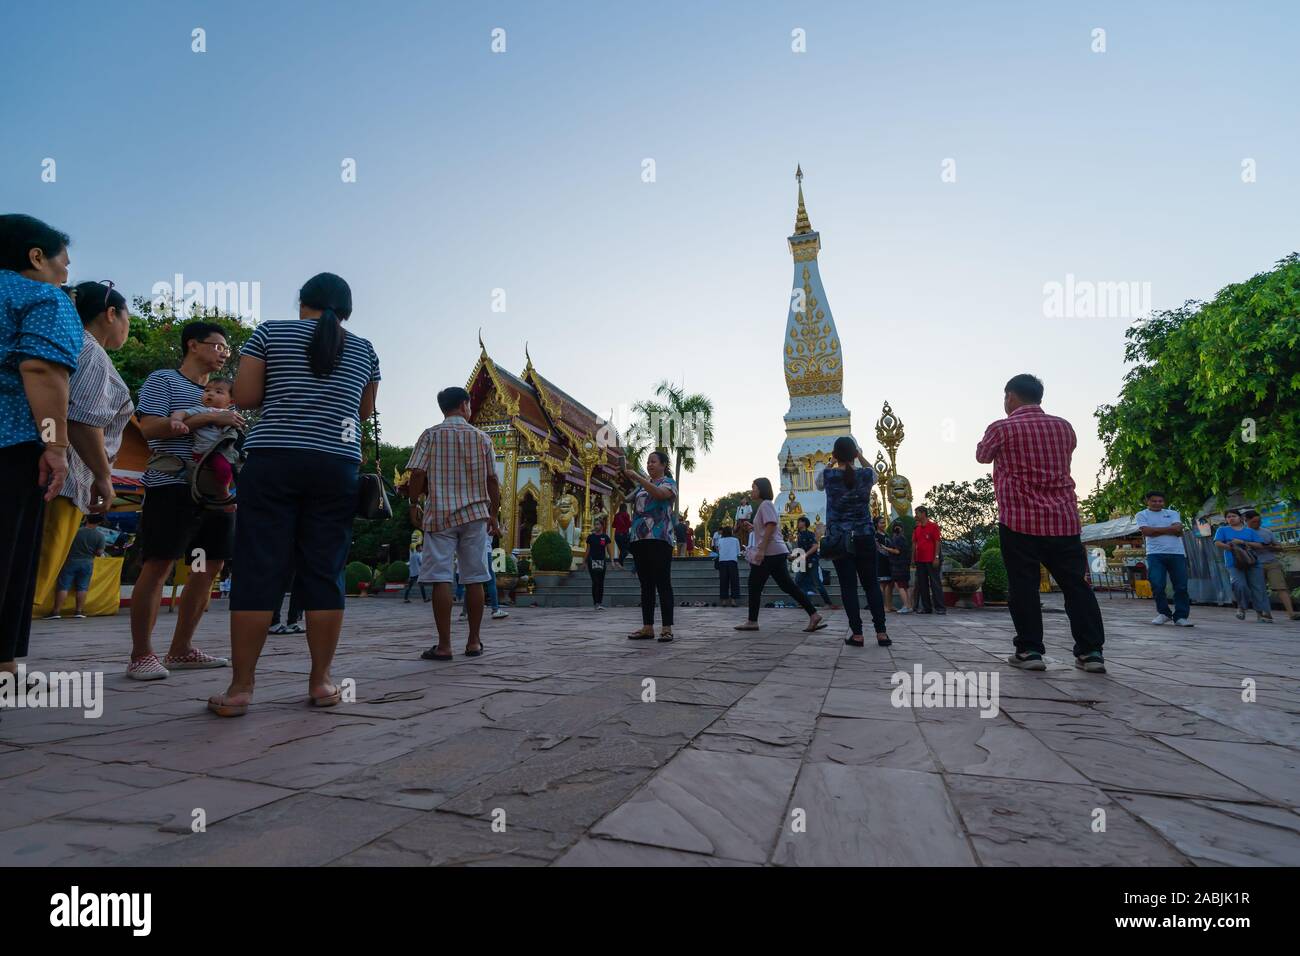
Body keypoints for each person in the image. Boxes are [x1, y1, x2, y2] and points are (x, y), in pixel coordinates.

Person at [208, 273, 380, 716]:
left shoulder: (271, 333)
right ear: (346, 310)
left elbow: (245, 396)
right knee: (325, 571)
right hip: (336, 463)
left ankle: (241, 687)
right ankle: (322, 681)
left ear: (302, 301)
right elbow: (363, 411)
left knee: (259, 567)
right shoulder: (365, 349)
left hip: (274, 459)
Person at [131, 320, 242, 680]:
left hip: (215, 495)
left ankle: (180, 649)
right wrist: (208, 416)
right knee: (159, 565)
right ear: (193, 345)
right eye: (218, 346)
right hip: (172, 486)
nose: (224, 354)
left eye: (227, 349)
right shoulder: (164, 381)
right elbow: (148, 428)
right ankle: (141, 655)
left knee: (205, 568)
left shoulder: (222, 391)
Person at [976, 373, 1106, 673]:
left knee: (1024, 586)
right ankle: (1091, 652)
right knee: (1076, 585)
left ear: (1010, 396)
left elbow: (983, 456)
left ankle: (1030, 650)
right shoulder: (1064, 427)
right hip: (1063, 518)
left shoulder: (1002, 428)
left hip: (1019, 519)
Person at [0, 215, 83, 680]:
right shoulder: (40, 296)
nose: (65, 274)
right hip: (10, 442)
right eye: (62, 263)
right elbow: (42, 371)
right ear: (36, 256)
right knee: (10, 553)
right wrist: (56, 446)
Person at [32, 279, 133, 623]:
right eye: (127, 320)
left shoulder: (65, 344)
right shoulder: (91, 352)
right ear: (110, 314)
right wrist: (104, 477)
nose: (126, 329)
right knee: (34, 579)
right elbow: (81, 422)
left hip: (54, 473)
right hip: (67, 479)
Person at [405, 385, 500, 662]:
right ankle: (473, 642)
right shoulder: (483, 438)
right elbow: (493, 480)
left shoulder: (430, 435)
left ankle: (444, 645)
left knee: (441, 578)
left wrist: (413, 504)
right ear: (465, 405)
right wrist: (493, 514)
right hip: (474, 515)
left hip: (440, 514)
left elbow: (418, 473)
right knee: (475, 577)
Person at [817, 438, 890, 646]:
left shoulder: (829, 476)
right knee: (871, 586)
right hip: (864, 535)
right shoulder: (865, 475)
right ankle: (881, 632)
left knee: (848, 588)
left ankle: (857, 634)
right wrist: (860, 456)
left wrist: (831, 461)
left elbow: (818, 482)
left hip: (840, 538)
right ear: (854, 454)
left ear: (836, 454)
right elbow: (875, 474)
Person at [735, 477, 826, 633]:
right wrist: (753, 528)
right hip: (776, 552)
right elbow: (767, 528)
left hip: (769, 553)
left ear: (762, 489)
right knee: (787, 585)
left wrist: (761, 550)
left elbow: (771, 525)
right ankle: (813, 614)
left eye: (754, 487)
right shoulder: (765, 506)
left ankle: (752, 621)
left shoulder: (765, 504)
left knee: (754, 585)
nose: (752, 490)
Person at [623, 450, 677, 641]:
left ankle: (667, 627)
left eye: (653, 462)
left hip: (659, 537)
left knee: (663, 582)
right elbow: (627, 499)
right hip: (639, 537)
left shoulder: (668, 483)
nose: (650, 465)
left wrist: (640, 478)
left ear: (663, 465)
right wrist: (631, 479)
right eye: (648, 462)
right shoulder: (643, 485)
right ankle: (648, 626)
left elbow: (660, 495)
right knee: (645, 584)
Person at [170, 378, 241, 495]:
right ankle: (224, 494)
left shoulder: (231, 415)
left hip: (223, 451)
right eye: (207, 390)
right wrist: (177, 421)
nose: (211, 393)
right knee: (224, 470)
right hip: (204, 452)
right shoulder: (201, 410)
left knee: (233, 469)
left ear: (231, 401)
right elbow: (181, 412)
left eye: (218, 392)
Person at [1136, 491, 1192, 627]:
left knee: (1181, 586)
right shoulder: (1142, 514)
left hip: (1177, 553)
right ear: (1147, 501)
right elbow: (1146, 532)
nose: (1157, 503)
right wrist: (1169, 529)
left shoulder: (1173, 513)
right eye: (1154, 501)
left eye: (1160, 501)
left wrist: (1155, 530)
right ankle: (1164, 613)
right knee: (1157, 584)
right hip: (1155, 554)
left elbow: (1178, 530)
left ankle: (1181, 616)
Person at [46, 514, 108, 619]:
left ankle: (56, 612)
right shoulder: (100, 535)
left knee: (63, 586)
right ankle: (79, 611)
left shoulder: (76, 531)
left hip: (70, 561)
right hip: (87, 563)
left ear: (87, 519)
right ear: (99, 522)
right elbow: (99, 552)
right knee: (82, 587)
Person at [1213, 509, 1270, 622]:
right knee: (1240, 585)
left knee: (1258, 587)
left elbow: (1259, 545)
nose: (1231, 518)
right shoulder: (1222, 530)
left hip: (1252, 561)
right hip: (1233, 562)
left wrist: (1243, 543)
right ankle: (1241, 607)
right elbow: (1217, 542)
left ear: (1240, 518)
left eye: (1233, 516)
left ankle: (1261, 614)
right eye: (1228, 517)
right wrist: (1232, 548)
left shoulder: (1250, 531)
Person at [1243, 509, 1297, 621]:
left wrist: (1269, 547)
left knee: (1281, 588)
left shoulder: (1267, 532)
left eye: (1259, 521)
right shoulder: (1244, 533)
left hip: (1271, 562)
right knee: (1259, 590)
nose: (1257, 524)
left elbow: (1279, 547)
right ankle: (1265, 613)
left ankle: (1292, 613)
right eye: (1254, 522)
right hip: (1255, 564)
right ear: (1246, 521)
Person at [912, 506, 945, 614]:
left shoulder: (933, 526)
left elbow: (937, 542)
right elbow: (914, 544)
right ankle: (927, 608)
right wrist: (913, 559)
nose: (915, 515)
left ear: (923, 513)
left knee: (935, 583)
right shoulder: (917, 529)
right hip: (920, 560)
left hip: (931, 560)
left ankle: (940, 607)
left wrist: (936, 557)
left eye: (917, 513)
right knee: (922, 584)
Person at [794, 515, 833, 607]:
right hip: (803, 562)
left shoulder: (809, 534)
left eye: (800, 521)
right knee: (798, 580)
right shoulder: (799, 535)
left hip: (811, 561)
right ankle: (804, 602)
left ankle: (828, 603)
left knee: (817, 582)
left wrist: (805, 555)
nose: (798, 523)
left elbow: (815, 546)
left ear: (804, 523)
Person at [586, 515, 612, 610]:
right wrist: (584, 562)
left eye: (598, 524)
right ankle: (595, 603)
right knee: (595, 582)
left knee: (601, 582)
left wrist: (612, 561)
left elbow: (609, 550)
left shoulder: (605, 537)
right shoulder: (590, 537)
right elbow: (587, 550)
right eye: (595, 524)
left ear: (602, 526)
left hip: (602, 561)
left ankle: (599, 602)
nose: (596, 526)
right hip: (592, 560)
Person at [888, 522, 913, 613]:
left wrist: (886, 548)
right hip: (905, 565)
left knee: (900, 585)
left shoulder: (897, 539)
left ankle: (906, 605)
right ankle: (909, 606)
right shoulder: (903, 538)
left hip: (899, 565)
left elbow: (897, 551)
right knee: (905, 586)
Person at [716, 525, 741, 606]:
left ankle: (724, 601)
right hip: (732, 561)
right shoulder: (735, 540)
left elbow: (718, 550)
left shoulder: (720, 540)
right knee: (734, 581)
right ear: (731, 532)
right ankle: (733, 600)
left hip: (722, 561)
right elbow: (738, 552)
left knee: (723, 581)